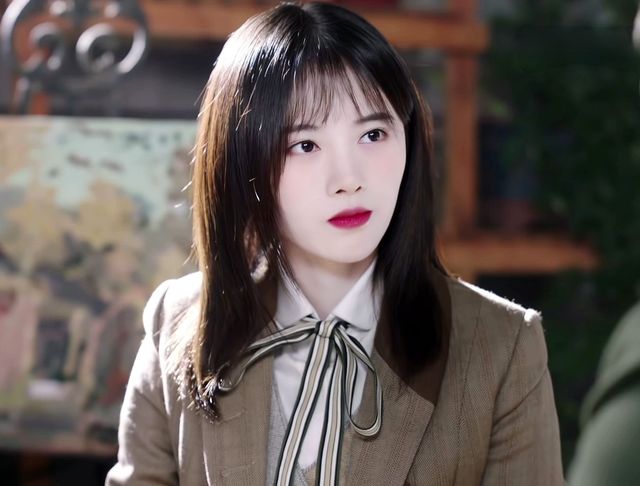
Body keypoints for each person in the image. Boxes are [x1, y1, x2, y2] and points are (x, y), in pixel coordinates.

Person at [105, 3, 564, 485]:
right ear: (243, 162)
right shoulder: (179, 321)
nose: (348, 179)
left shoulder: (502, 345)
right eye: (305, 145)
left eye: (373, 134)